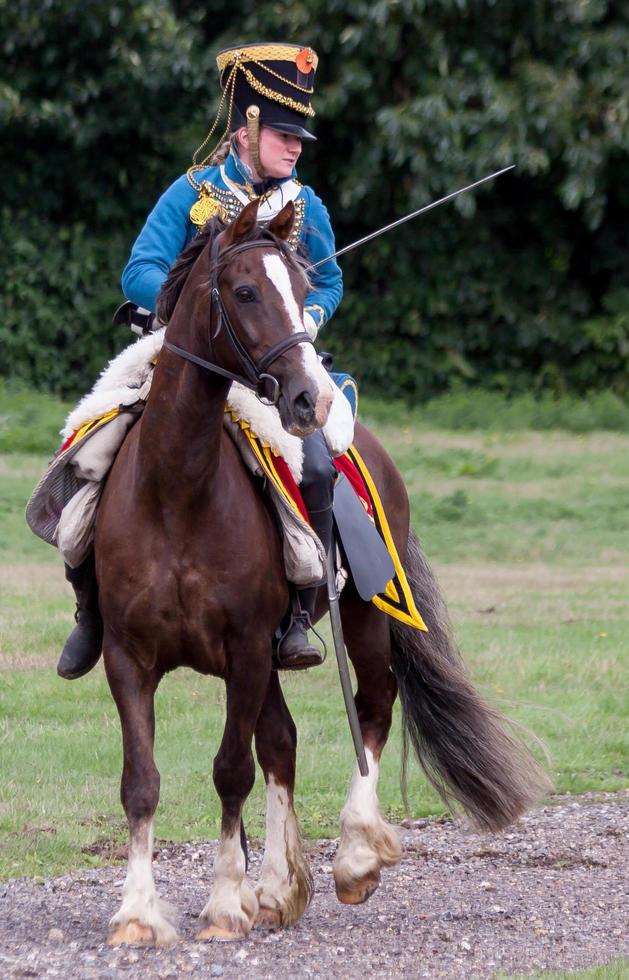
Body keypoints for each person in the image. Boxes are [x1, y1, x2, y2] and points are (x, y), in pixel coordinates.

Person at [58, 42, 345, 680]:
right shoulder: (192, 194)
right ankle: (92, 611)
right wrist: (178, 310)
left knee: (320, 465)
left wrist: (307, 319)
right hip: (185, 355)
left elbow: (328, 283)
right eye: (282, 133)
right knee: (90, 447)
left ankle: (297, 616)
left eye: (300, 136)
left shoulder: (306, 206)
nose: (295, 146)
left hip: (274, 363)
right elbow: (141, 271)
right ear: (246, 129)